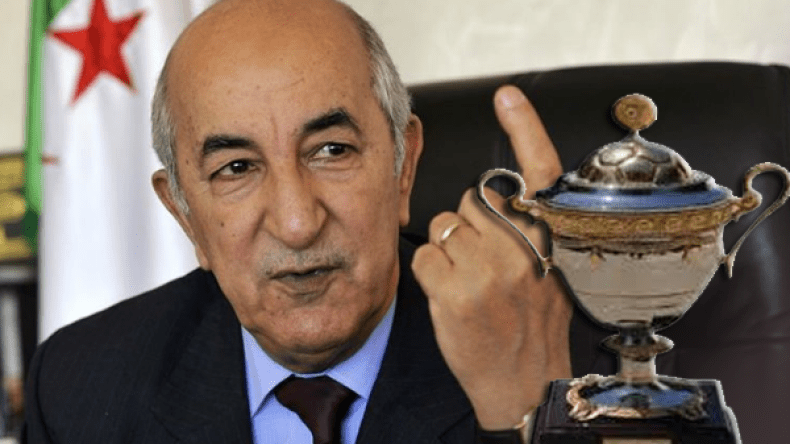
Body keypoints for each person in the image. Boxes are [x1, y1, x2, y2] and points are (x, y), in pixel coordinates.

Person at [22, 0, 572, 442]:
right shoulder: (80, 387)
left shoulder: (573, 358)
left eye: (332, 150)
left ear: (403, 168)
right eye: (236, 168)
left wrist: (529, 412)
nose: (296, 224)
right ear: (183, 213)